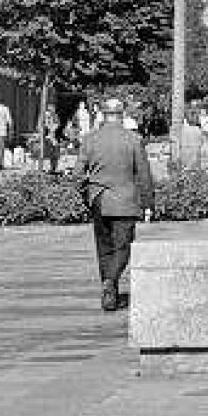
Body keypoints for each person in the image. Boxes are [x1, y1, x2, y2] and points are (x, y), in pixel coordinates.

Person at [78, 96, 155, 312]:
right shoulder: (134, 139)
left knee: (104, 247)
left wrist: (87, 195)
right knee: (123, 247)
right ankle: (111, 282)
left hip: (98, 199)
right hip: (125, 200)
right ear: (121, 115)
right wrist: (148, 202)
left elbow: (77, 174)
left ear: (103, 115)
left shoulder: (90, 139)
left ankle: (109, 290)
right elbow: (144, 174)